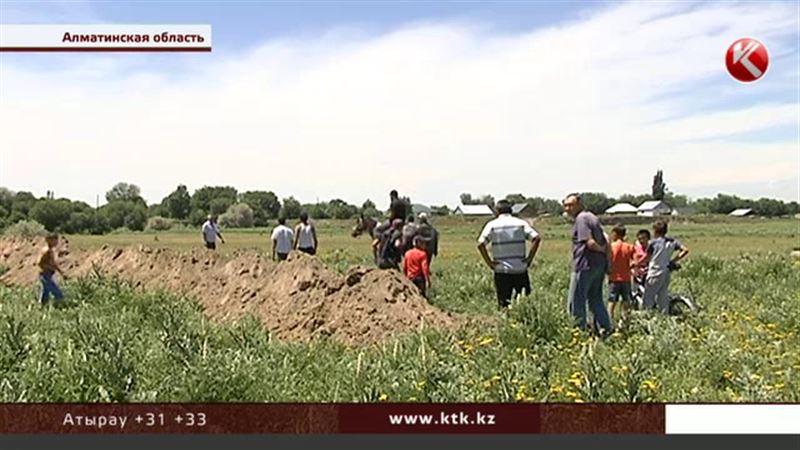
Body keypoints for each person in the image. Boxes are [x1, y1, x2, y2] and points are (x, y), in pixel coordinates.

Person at [563, 193, 613, 335]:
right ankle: (605, 329)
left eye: (571, 205)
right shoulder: (592, 216)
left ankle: (579, 333)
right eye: (566, 205)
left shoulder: (581, 219)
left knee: (576, 302)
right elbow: (607, 237)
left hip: (584, 265)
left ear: (579, 204)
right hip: (598, 265)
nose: (568, 208)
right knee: (596, 300)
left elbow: (589, 242)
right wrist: (607, 259)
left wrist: (600, 248)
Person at [477, 199, 542, 308]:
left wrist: (490, 263)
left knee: (504, 305)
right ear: (511, 210)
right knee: (524, 305)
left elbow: (480, 244)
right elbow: (536, 238)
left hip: (502, 270)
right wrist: (529, 259)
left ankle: (505, 323)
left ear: (497, 211)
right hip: (520, 269)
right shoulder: (521, 223)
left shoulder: (492, 225)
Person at [643, 221, 690, 313]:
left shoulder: (653, 243)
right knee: (663, 296)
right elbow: (685, 250)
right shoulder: (672, 241)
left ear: (655, 231)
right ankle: (664, 316)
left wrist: (635, 263)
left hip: (654, 272)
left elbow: (646, 258)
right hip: (666, 271)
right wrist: (673, 260)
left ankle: (647, 315)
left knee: (648, 297)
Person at [607, 224, 636, 321]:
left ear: (616, 234)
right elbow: (635, 261)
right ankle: (625, 322)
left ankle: (609, 322)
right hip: (626, 278)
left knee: (612, 301)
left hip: (614, 278)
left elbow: (607, 260)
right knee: (626, 301)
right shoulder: (629, 247)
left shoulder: (611, 247)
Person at [37, 233, 66, 305]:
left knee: (45, 295)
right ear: (49, 240)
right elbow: (39, 263)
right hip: (45, 275)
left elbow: (54, 264)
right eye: (55, 240)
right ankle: (61, 307)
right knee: (57, 293)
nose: (56, 242)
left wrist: (61, 272)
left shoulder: (50, 250)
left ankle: (41, 308)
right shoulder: (46, 251)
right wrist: (49, 267)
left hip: (48, 274)